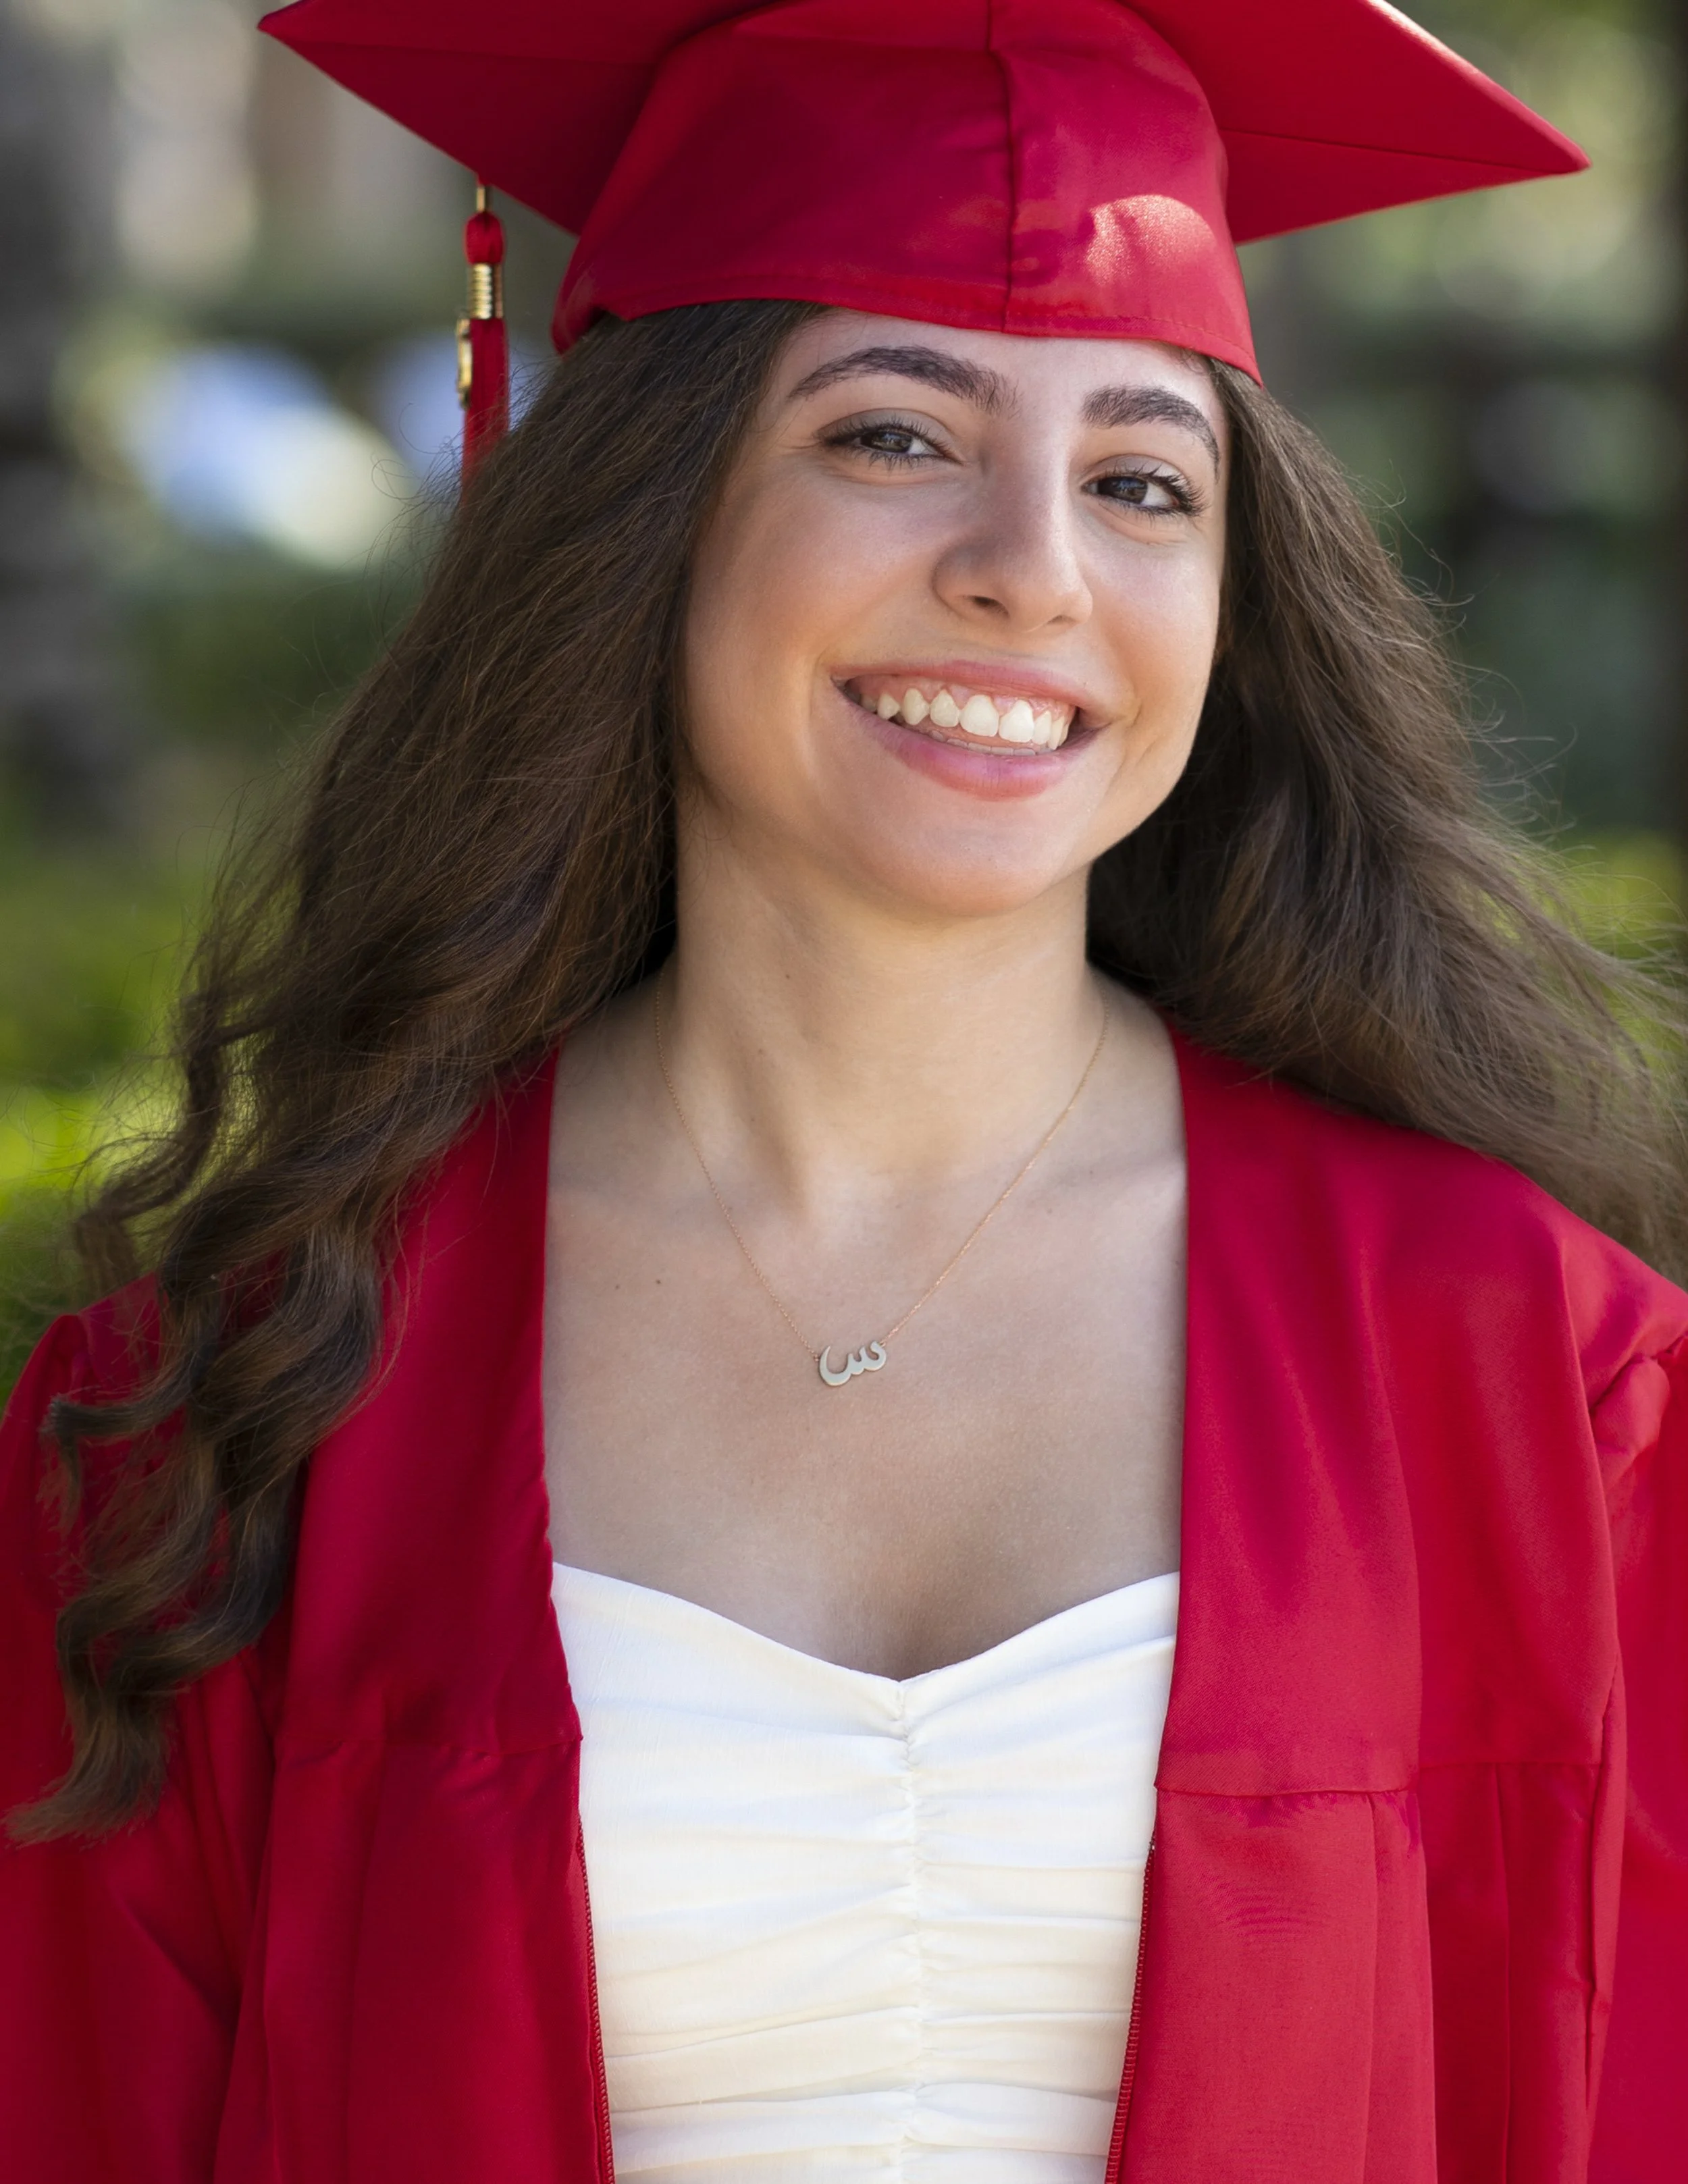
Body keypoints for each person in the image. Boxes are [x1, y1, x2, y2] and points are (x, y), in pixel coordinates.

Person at [2, 1, 1685, 2179]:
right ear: (640, 515)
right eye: (891, 437)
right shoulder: (253, 1393)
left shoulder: (1526, 1368)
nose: (1031, 565)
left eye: (1143, 479)